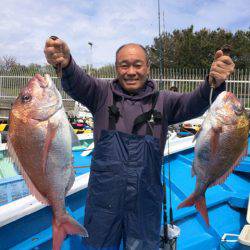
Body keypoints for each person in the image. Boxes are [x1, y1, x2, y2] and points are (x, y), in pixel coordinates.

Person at [44, 39, 235, 250]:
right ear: (117, 68)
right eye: (124, 65)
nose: (131, 71)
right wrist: (65, 63)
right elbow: (78, 81)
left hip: (145, 205)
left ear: (148, 68)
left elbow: (195, 102)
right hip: (102, 205)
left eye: (138, 65)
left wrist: (213, 83)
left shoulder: (165, 101)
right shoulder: (100, 94)